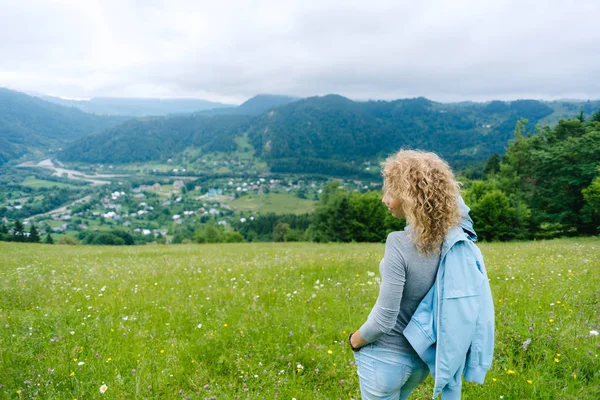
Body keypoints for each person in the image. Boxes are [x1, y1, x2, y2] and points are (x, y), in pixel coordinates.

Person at [348, 149, 493, 399]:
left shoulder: (398, 243)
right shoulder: (454, 242)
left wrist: (355, 340)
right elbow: (459, 210)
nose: (384, 199)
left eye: (391, 192)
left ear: (410, 196)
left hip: (385, 360)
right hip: (420, 361)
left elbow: (384, 318)